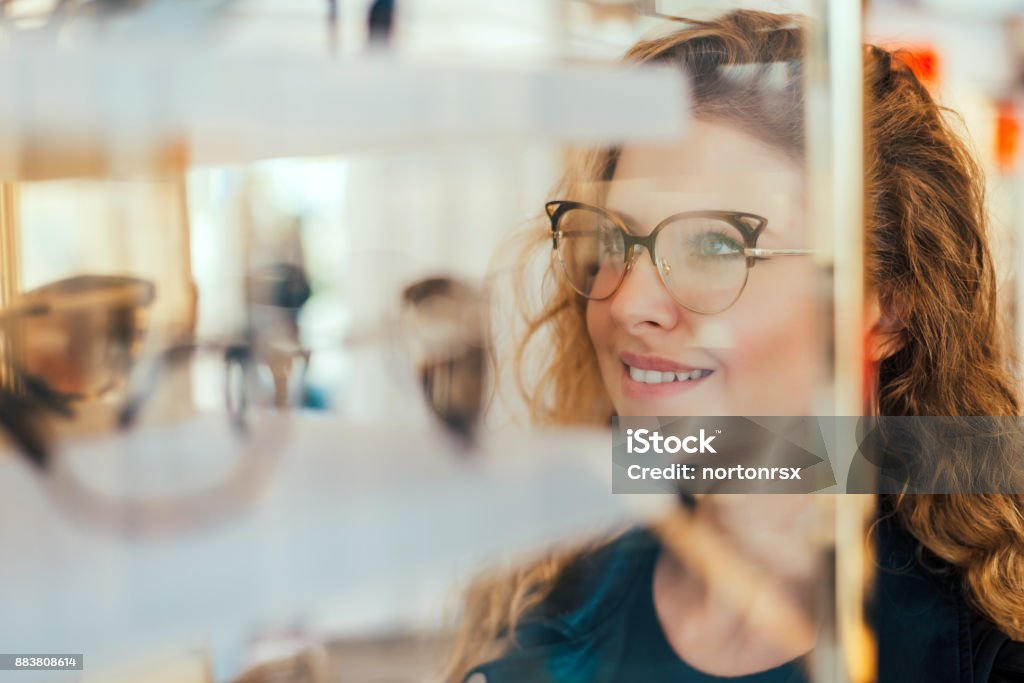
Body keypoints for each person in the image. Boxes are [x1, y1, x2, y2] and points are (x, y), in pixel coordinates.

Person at [444, 10, 1024, 683]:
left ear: (886, 302)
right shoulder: (544, 603)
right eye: (612, 241)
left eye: (716, 245)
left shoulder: (990, 649)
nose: (626, 302)